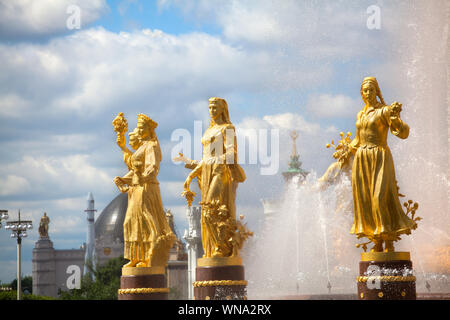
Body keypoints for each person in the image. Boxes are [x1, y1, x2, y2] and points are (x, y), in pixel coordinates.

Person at [349, 77, 416, 252]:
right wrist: (346, 151)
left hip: (379, 157)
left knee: (380, 198)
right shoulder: (360, 114)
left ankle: (389, 241)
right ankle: (377, 241)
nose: (368, 93)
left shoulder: (384, 111)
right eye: (365, 90)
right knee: (366, 201)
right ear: (362, 94)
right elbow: (357, 139)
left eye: (371, 90)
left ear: (377, 91)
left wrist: (395, 119)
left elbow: (403, 133)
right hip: (362, 159)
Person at [183, 97, 246, 258]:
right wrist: (192, 171)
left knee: (214, 208)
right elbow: (206, 158)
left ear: (222, 109)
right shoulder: (208, 131)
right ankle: (212, 248)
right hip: (206, 174)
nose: (212, 110)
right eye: (210, 107)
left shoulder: (228, 128)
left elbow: (231, 154)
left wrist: (214, 160)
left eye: (215, 107)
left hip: (220, 172)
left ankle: (222, 247)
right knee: (206, 211)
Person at [114, 114, 175, 268]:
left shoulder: (151, 146)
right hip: (136, 189)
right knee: (131, 221)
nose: (139, 130)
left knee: (144, 221)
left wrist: (143, 177)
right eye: (138, 128)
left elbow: (152, 168)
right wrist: (122, 147)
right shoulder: (143, 146)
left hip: (146, 188)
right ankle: (136, 257)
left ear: (149, 129)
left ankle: (148, 256)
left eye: (142, 128)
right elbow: (134, 166)